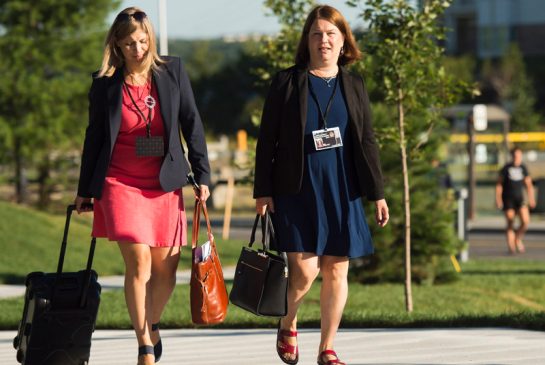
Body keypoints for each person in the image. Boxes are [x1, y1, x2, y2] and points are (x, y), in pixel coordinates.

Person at [253, 5, 389, 365]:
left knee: (336, 269)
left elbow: (367, 139)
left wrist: (377, 192)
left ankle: (327, 348)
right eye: (317, 34)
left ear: (344, 41)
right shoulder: (287, 82)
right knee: (304, 271)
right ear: (307, 40)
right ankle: (288, 322)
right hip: (297, 187)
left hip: (342, 187)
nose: (324, 40)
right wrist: (262, 190)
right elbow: (267, 140)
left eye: (331, 33)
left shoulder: (354, 84)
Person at [74, 7, 210, 365]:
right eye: (130, 43)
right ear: (117, 46)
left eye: (143, 41)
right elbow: (94, 138)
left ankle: (151, 323)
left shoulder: (172, 71)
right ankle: (143, 347)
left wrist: (203, 175)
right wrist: (85, 188)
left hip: (163, 182)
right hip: (120, 180)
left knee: (167, 269)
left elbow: (191, 123)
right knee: (139, 264)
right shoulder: (105, 84)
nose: (138, 48)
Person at [495, 147, 536, 254]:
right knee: (510, 222)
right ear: (512, 156)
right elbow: (499, 185)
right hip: (508, 199)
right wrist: (498, 199)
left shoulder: (523, 168)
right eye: (515, 155)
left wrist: (531, 199)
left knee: (525, 221)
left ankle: (517, 239)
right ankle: (511, 247)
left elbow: (529, 185)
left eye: (519, 156)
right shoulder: (506, 168)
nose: (516, 158)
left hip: (520, 198)